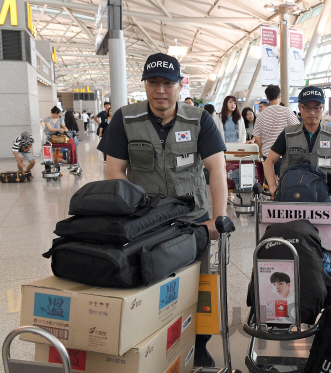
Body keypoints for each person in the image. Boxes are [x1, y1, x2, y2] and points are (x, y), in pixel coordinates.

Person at [101, 53, 228, 368]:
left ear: (180, 84)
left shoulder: (199, 120)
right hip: (147, 223)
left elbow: (217, 170)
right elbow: (114, 171)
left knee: (200, 287)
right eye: (153, 82)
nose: (160, 90)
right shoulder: (125, 119)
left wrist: (217, 217)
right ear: (145, 84)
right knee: (149, 284)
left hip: (193, 222)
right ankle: (152, 346)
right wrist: (132, 214)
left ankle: (198, 346)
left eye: (167, 83)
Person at [264, 86, 331, 197]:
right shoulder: (288, 134)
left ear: (323, 109)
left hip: (321, 195)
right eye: (307, 108)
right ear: (300, 108)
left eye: (316, 108)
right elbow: (269, 162)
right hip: (291, 195)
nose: (312, 112)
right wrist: (272, 185)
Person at [253, 85, 300, 177]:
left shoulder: (261, 115)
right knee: (284, 182)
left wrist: (263, 147)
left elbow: (257, 137)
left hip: (267, 154)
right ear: (279, 96)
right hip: (283, 155)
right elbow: (297, 128)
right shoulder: (286, 111)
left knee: (270, 184)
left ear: (267, 98)